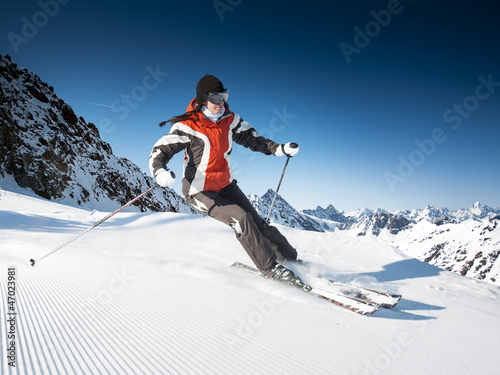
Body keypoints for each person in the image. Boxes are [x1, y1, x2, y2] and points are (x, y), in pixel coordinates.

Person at [149, 74, 304, 287]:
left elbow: (253, 139)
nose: (220, 102)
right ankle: (270, 268)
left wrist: (278, 149)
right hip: (199, 191)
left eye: (224, 96)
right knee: (241, 219)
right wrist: (159, 172)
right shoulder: (187, 125)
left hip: (225, 185)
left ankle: (293, 261)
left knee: (258, 223)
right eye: (215, 98)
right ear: (203, 99)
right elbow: (160, 150)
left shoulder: (230, 119)